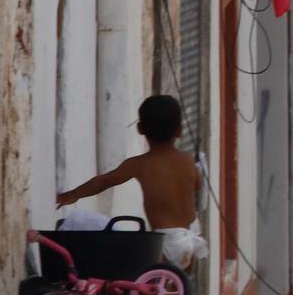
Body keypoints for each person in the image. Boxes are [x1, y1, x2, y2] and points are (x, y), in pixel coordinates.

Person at [55, 94, 208, 269]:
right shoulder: (188, 161)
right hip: (188, 238)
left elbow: (105, 181)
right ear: (180, 131)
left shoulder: (139, 164)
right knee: (178, 288)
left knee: (154, 285)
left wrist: (73, 194)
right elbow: (197, 185)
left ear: (140, 128)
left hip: (161, 242)